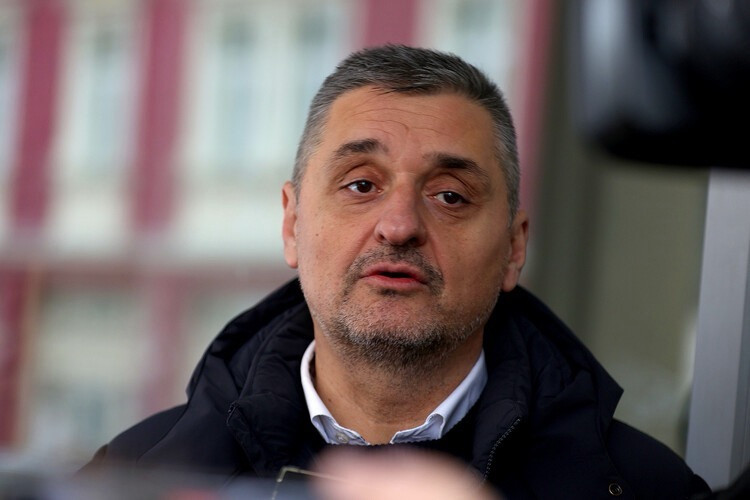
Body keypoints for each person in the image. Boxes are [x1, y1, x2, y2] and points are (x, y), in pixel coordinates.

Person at [85, 45, 710, 498]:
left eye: (450, 196)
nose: (399, 225)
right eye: (361, 184)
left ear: (514, 247)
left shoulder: (649, 490)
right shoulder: (135, 477)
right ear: (292, 225)